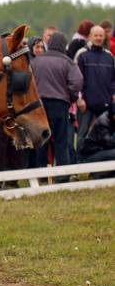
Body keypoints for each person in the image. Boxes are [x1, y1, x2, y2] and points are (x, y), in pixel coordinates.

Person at [31, 32, 83, 179]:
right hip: (60, 104)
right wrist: (71, 97)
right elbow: (78, 81)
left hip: (39, 105)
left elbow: (30, 81)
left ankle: (41, 176)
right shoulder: (67, 62)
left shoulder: (36, 61)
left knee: (42, 141)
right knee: (61, 141)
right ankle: (62, 177)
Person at [75, 25, 115, 152]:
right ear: (90, 37)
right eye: (96, 35)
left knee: (106, 135)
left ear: (104, 37)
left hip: (106, 104)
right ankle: (79, 165)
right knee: (82, 134)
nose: (98, 38)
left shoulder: (109, 56)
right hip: (86, 104)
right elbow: (76, 79)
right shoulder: (82, 54)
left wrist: (113, 95)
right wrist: (79, 99)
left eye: (101, 35)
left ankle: (104, 168)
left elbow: (113, 79)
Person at [78, 108, 115, 176]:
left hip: (100, 152)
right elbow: (109, 143)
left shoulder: (110, 119)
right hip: (89, 156)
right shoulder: (103, 122)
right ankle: (98, 174)